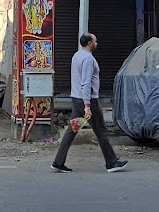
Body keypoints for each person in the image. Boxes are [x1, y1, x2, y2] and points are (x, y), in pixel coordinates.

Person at [52, 33, 127, 173]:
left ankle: (58, 161)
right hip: (88, 101)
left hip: (77, 100)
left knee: (72, 130)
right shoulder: (88, 59)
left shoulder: (76, 56)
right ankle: (111, 162)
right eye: (95, 41)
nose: (97, 43)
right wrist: (87, 106)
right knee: (101, 131)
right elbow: (86, 83)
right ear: (89, 43)